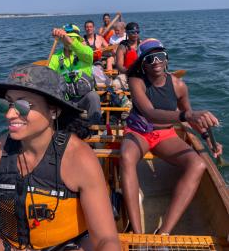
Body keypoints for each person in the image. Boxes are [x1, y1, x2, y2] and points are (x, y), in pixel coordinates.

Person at [0, 64, 120, 251]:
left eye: (23, 106)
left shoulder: (78, 159)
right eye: (6, 103)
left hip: (69, 245)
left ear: (54, 111)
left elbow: (106, 239)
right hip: (10, 244)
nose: (9, 114)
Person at [120, 38, 223, 235]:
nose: (156, 61)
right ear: (143, 63)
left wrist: (209, 140)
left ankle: (164, 232)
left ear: (167, 59)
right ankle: (137, 233)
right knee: (126, 157)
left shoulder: (179, 86)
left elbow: (190, 118)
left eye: (160, 56)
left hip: (165, 134)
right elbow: (150, 112)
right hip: (139, 131)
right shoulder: (136, 81)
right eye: (150, 58)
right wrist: (187, 115)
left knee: (198, 164)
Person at [49, 23, 101, 125]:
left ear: (78, 39)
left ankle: (94, 128)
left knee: (93, 96)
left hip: (84, 97)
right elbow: (49, 75)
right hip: (66, 100)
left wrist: (67, 38)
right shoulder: (55, 57)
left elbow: (83, 51)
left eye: (73, 38)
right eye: (66, 38)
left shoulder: (86, 52)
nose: (69, 41)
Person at [113, 22, 140, 91]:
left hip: (141, 74)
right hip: (126, 74)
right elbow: (119, 65)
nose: (135, 34)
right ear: (127, 33)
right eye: (133, 32)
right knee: (115, 85)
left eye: (137, 32)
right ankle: (125, 101)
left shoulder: (142, 45)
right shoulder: (122, 47)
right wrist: (129, 72)